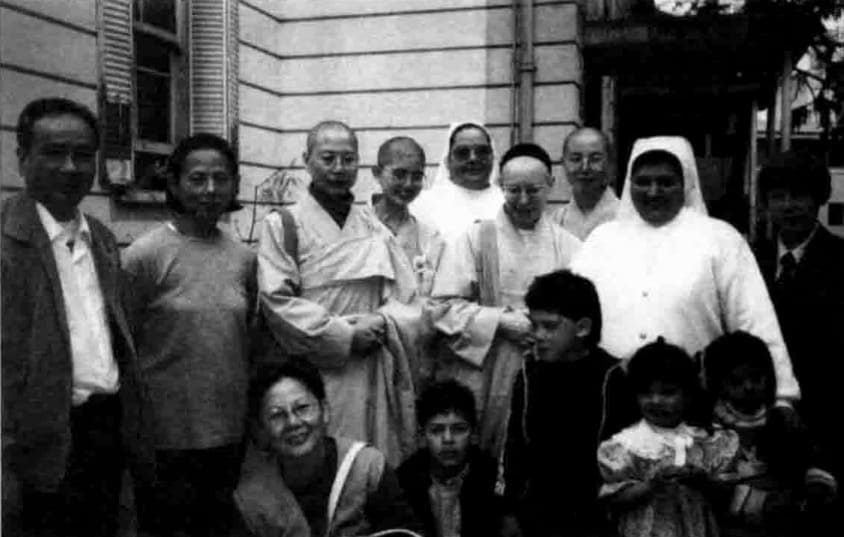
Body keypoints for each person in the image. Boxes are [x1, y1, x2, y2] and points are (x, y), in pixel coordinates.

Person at [1, 97, 150, 537]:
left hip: (104, 433)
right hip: (36, 442)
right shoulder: (7, 243)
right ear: (22, 159)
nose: (70, 167)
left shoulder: (100, 239)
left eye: (83, 155)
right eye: (54, 153)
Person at [570, 136, 800, 403]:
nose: (653, 192)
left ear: (686, 184)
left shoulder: (720, 239)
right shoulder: (601, 240)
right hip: (610, 398)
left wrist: (782, 396)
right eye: (643, 182)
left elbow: (754, 321)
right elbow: (568, 312)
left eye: (666, 182)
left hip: (693, 400)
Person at [257, 120, 420, 467]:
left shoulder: (373, 226)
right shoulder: (284, 224)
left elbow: (407, 296)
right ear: (307, 160)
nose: (338, 168)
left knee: (368, 459)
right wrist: (345, 335)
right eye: (328, 158)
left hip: (370, 365)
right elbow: (277, 302)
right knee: (318, 459)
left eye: (348, 159)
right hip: (313, 368)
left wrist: (383, 321)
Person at [122, 133, 257, 536]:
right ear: (175, 184)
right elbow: (123, 347)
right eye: (197, 179)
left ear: (234, 184)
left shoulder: (243, 258)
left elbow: (247, 339)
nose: (210, 189)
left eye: (221, 178)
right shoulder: (144, 256)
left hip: (229, 434)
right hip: (166, 440)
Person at [428, 143, 582, 458]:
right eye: (513, 190)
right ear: (500, 186)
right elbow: (442, 308)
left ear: (551, 185)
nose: (523, 200)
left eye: (533, 190)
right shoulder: (474, 239)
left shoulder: (570, 246)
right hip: (488, 369)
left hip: (548, 369)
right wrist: (499, 321)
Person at [502, 269, 636, 537]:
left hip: (597, 515)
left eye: (550, 326)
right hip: (537, 514)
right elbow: (515, 448)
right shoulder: (529, 374)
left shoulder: (612, 377)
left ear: (583, 328)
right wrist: (509, 511)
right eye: (534, 325)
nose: (538, 335)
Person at [233, 360, 422, 537]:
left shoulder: (366, 468)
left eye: (302, 408)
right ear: (262, 429)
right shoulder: (252, 497)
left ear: (325, 411)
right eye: (277, 415)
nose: (293, 422)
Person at [752, 151, 844, 485]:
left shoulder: (839, 259)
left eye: (799, 196)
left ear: (819, 198)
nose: (789, 206)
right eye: (778, 197)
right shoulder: (750, 258)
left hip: (828, 417)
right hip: (760, 414)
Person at [597, 339, 739, 537]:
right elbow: (615, 500)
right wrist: (652, 485)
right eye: (646, 393)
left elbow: (727, 495)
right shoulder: (625, 446)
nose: (656, 401)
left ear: (688, 394)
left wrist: (701, 480)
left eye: (667, 392)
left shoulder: (708, 441)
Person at [702, 331, 838, 537]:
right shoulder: (709, 429)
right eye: (736, 382)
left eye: (756, 378)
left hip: (783, 521)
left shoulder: (784, 420)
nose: (749, 387)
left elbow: (810, 462)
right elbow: (712, 489)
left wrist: (816, 486)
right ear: (718, 385)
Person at [398, 379, 519, 537]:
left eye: (459, 429)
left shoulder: (494, 479)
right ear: (422, 436)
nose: (448, 439)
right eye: (437, 430)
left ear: (473, 433)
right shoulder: (405, 481)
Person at [372, 136, 445, 296]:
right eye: (399, 174)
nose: (408, 184)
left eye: (417, 177)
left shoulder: (430, 238)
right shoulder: (357, 227)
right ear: (377, 173)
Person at [410, 122, 504, 243]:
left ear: (492, 157)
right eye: (463, 153)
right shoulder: (423, 204)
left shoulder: (508, 201)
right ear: (448, 160)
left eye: (482, 151)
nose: (473, 158)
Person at [553, 127, 620, 240]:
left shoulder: (627, 216)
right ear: (563, 163)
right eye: (576, 159)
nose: (585, 168)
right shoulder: (556, 221)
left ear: (610, 164)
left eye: (595, 159)